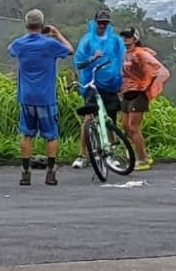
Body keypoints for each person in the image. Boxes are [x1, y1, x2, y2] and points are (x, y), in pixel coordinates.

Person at [8, 9, 74, 186]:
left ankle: (25, 172)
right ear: (42, 25)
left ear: (26, 25)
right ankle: (51, 172)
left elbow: (11, 50)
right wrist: (56, 34)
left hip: (26, 96)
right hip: (46, 96)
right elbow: (70, 50)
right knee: (50, 135)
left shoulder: (19, 44)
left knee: (27, 134)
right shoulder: (49, 45)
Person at [72, 10, 126, 169]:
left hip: (110, 85)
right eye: (100, 22)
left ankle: (111, 153)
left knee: (110, 119)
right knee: (88, 119)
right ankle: (82, 155)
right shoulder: (87, 40)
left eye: (105, 23)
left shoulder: (115, 41)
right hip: (92, 84)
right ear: (95, 22)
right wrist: (92, 59)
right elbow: (79, 64)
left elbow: (122, 61)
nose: (102, 25)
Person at [118, 28, 168, 171]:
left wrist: (147, 86)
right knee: (126, 127)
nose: (125, 40)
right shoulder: (125, 54)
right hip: (126, 93)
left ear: (135, 39)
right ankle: (140, 153)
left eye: (128, 37)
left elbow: (159, 70)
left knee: (134, 128)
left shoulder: (140, 54)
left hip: (138, 94)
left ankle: (142, 159)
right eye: (124, 37)